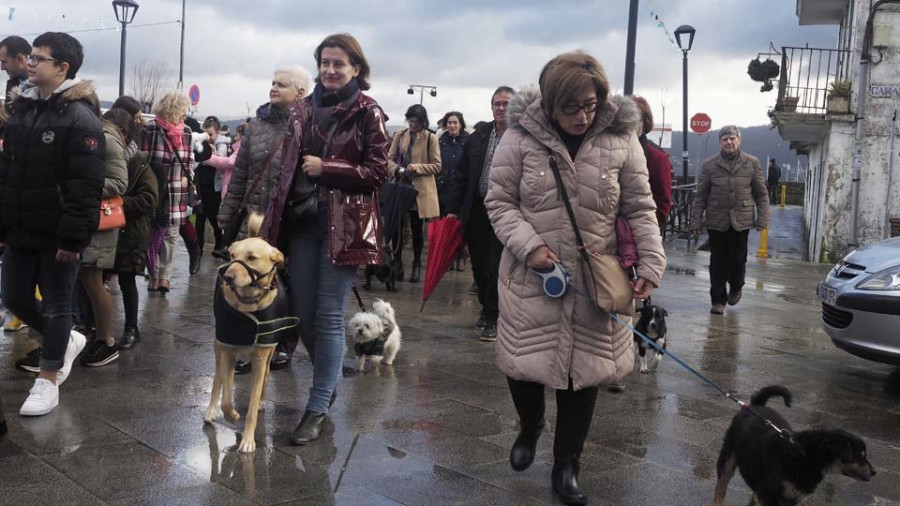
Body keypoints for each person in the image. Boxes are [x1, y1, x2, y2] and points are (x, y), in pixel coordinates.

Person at [485, 52, 666, 506]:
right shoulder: (518, 137)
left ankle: (567, 464)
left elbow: (640, 208)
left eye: (590, 104)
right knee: (523, 363)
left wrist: (650, 264)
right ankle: (530, 424)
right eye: (571, 107)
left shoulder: (622, 139)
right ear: (549, 103)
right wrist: (530, 247)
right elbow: (499, 203)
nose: (582, 115)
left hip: (593, 280)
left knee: (583, 376)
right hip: (533, 276)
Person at [259, 33, 389, 444]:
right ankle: (326, 382)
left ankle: (316, 406)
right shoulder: (302, 109)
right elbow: (286, 171)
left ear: (356, 68)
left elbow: (379, 172)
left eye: (339, 64)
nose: (331, 70)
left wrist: (328, 167)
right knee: (301, 311)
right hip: (301, 221)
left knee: (329, 313)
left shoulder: (368, 112)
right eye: (325, 63)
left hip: (346, 225)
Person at [0, 32, 105, 416]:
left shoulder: (80, 117)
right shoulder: (23, 110)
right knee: (12, 296)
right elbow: (7, 170)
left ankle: (47, 380)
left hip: (59, 231)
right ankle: (67, 341)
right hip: (21, 225)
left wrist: (74, 236)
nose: (31, 63)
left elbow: (86, 185)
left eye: (40, 59)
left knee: (59, 305)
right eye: (30, 57)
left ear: (63, 68)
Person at [218, 66, 310, 374]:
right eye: (272, 82)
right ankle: (250, 341)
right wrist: (227, 212)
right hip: (256, 220)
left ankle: (283, 345)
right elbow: (242, 175)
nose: (273, 87)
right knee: (250, 281)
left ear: (300, 92)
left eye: (281, 84)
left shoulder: (308, 126)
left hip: (292, 220)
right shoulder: (256, 126)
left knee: (289, 283)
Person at [445, 86, 515, 341]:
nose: (501, 108)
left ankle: (493, 316)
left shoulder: (522, 136)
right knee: (478, 264)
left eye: (506, 104)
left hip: (507, 211)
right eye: (497, 103)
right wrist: (453, 210)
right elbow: (461, 174)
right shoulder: (480, 135)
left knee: (495, 266)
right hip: (476, 208)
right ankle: (487, 309)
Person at [691, 125, 769, 315]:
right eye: (725, 139)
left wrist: (763, 219)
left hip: (741, 219)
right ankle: (718, 300)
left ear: (739, 140)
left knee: (737, 259)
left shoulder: (752, 163)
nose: (729, 142)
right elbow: (700, 195)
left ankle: (736, 286)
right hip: (716, 220)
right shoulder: (710, 165)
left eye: (732, 138)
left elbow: (761, 195)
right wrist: (695, 222)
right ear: (720, 142)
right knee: (717, 261)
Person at [77, 101, 129, 368]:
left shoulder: (106, 138)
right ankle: (94, 336)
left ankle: (106, 341)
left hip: (98, 221)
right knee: (85, 282)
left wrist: (81, 184)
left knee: (93, 281)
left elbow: (120, 182)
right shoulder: (85, 134)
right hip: (80, 216)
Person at [107, 107, 158, 351]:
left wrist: (117, 203)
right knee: (92, 278)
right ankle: (91, 325)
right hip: (104, 229)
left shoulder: (140, 162)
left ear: (126, 135)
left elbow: (149, 199)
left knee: (127, 280)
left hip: (131, 230)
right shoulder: (101, 157)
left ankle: (131, 328)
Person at [143, 92, 194, 294]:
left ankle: (165, 277)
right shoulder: (151, 128)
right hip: (155, 189)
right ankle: (153, 275)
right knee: (153, 233)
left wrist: (188, 175)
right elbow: (143, 158)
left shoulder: (187, 131)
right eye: (183, 109)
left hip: (176, 189)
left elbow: (189, 159)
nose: (185, 113)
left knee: (171, 235)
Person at [387, 104, 441, 283]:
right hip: (401, 186)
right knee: (397, 228)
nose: (412, 124)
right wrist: (399, 170)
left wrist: (417, 167)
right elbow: (388, 159)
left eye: (416, 121)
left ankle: (417, 265)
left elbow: (437, 165)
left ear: (422, 122)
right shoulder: (400, 135)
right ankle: (397, 264)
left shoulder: (430, 138)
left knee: (417, 230)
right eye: (410, 121)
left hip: (419, 190)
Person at [632, 96, 673, 232]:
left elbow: (663, 203)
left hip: (640, 233)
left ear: (644, 124)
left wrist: (646, 229)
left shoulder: (657, 157)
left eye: (635, 120)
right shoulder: (609, 151)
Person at [438, 111, 470, 271]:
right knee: (446, 227)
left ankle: (460, 256)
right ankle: (448, 256)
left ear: (460, 124)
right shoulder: (440, 141)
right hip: (444, 189)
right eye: (449, 123)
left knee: (460, 227)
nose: (452, 125)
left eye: (455, 122)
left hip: (461, 190)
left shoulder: (468, 141)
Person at [193, 116, 226, 258]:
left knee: (213, 216)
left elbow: (221, 161)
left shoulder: (222, 144)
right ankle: (198, 247)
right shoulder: (200, 143)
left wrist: (210, 156)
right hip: (200, 184)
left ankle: (219, 242)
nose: (208, 137)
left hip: (214, 186)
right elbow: (196, 160)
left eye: (211, 134)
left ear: (217, 133)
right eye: (205, 134)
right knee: (199, 217)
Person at [0, 35, 30, 108]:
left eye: (4, 62)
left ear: (20, 59)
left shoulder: (44, 87)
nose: (2, 68)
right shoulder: (12, 85)